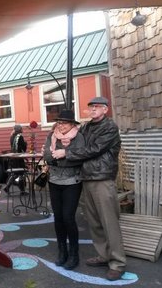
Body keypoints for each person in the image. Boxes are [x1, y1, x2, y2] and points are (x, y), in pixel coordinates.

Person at [52, 97, 126, 281]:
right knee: (94, 221)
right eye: (90, 107)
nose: (92, 110)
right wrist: (59, 132)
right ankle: (103, 256)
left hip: (102, 179)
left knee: (109, 222)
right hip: (85, 178)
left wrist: (66, 152)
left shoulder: (109, 127)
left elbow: (94, 149)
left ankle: (117, 263)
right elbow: (72, 133)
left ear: (105, 110)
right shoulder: (86, 127)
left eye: (97, 107)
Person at [43, 109, 84, 270]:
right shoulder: (51, 135)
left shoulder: (78, 137)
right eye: (59, 122)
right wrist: (59, 156)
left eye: (64, 123)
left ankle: (74, 254)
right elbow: (47, 155)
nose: (60, 125)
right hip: (54, 181)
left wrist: (63, 154)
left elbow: (80, 157)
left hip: (72, 182)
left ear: (72, 124)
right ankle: (62, 251)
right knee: (58, 218)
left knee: (68, 217)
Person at [4, 124, 27, 193]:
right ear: (19, 129)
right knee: (22, 173)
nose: (22, 130)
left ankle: (7, 187)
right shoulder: (20, 136)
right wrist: (25, 143)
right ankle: (22, 190)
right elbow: (23, 148)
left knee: (15, 173)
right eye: (21, 128)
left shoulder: (12, 136)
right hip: (18, 158)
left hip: (13, 158)